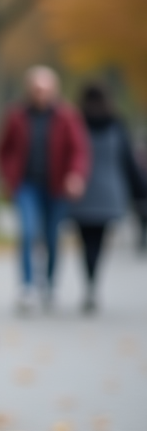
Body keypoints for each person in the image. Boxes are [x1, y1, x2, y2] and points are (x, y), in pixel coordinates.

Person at [0, 66, 90, 312]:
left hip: (56, 187)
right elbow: (1, 150)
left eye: (45, 89)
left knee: (51, 237)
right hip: (26, 186)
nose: (40, 94)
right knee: (28, 233)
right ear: (29, 90)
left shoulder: (67, 116)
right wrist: (7, 178)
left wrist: (75, 175)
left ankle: (48, 284)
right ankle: (27, 287)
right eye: (36, 89)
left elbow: (79, 150)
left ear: (53, 90)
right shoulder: (16, 116)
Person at [69, 83, 147, 312]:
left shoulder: (76, 123)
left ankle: (89, 281)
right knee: (99, 242)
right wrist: (140, 193)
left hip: (82, 190)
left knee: (85, 242)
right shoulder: (116, 125)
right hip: (109, 193)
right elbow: (128, 162)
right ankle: (94, 282)